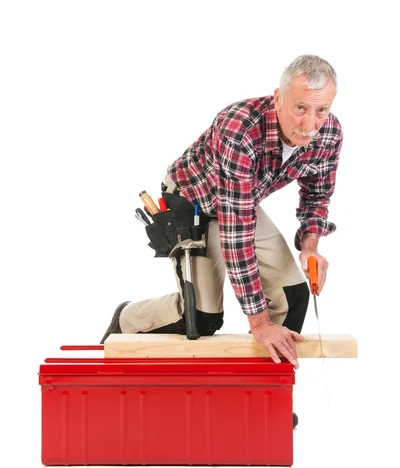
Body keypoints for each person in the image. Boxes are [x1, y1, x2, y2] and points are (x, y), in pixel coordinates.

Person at [101, 54, 342, 371]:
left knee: (293, 296)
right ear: (278, 99)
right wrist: (259, 323)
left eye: (321, 110)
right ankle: (127, 317)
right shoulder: (238, 128)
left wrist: (310, 248)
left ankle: (265, 397)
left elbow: (317, 194)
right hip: (192, 200)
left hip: (240, 202)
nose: (311, 124)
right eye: (300, 108)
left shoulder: (329, 134)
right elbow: (236, 235)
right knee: (201, 319)